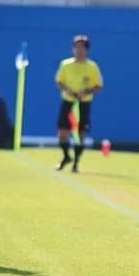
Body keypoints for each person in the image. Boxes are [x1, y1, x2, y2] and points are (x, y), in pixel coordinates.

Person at [54, 35, 103, 173]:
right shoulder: (65, 64)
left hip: (83, 103)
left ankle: (76, 163)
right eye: (76, 47)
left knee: (80, 133)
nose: (79, 50)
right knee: (62, 132)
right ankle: (66, 156)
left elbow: (98, 85)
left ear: (86, 50)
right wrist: (68, 90)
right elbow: (59, 81)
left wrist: (86, 91)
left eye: (82, 47)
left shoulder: (92, 66)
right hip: (68, 101)